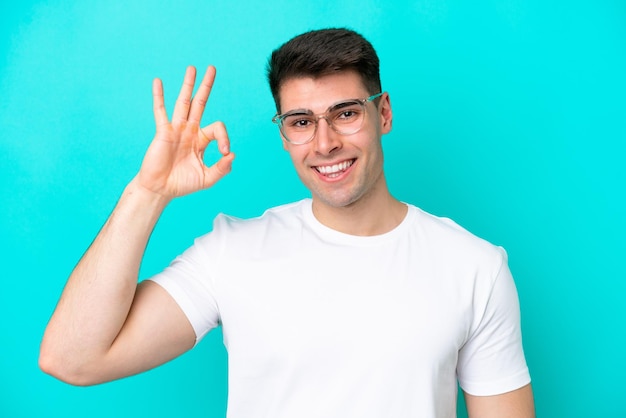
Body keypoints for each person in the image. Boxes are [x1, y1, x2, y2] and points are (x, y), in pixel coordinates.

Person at [40, 28, 535, 417]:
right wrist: (147, 194)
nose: (324, 144)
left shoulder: (474, 266)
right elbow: (72, 358)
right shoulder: (230, 252)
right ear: (283, 133)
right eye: (301, 122)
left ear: (383, 113)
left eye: (345, 113)